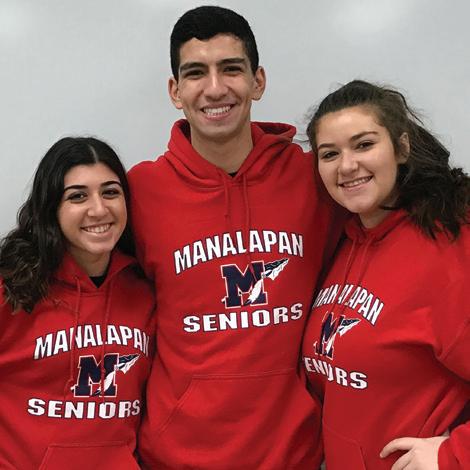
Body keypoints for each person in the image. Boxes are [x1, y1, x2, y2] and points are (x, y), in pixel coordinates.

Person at [128, 5, 342, 469]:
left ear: (257, 81)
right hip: (175, 457)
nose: (215, 88)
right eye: (195, 73)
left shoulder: (316, 179)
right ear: (175, 91)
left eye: (231, 69)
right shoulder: (138, 193)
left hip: (295, 455)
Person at [303, 80, 470, 469]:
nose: (347, 165)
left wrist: (454, 454)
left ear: (401, 148)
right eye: (330, 154)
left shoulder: (449, 246)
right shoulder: (343, 244)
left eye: (364, 145)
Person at [0, 137, 155, 470]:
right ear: (51, 208)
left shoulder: (146, 292)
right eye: (77, 196)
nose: (98, 209)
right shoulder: (11, 288)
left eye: (110, 192)